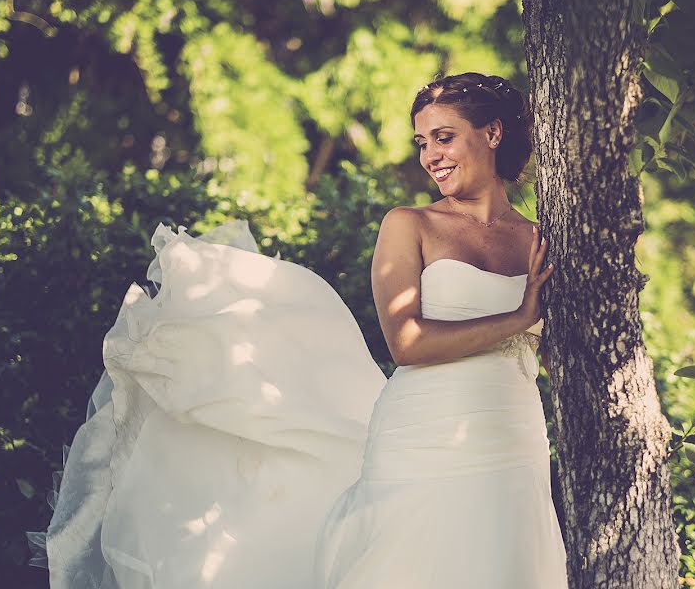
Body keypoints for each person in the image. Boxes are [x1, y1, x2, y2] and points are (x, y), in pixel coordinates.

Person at [29, 72, 567, 588]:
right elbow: (407, 343)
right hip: (424, 432)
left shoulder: (541, 237)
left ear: (492, 132)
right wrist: (517, 319)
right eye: (422, 142)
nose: (431, 156)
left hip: (515, 433)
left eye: (444, 137)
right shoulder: (410, 225)